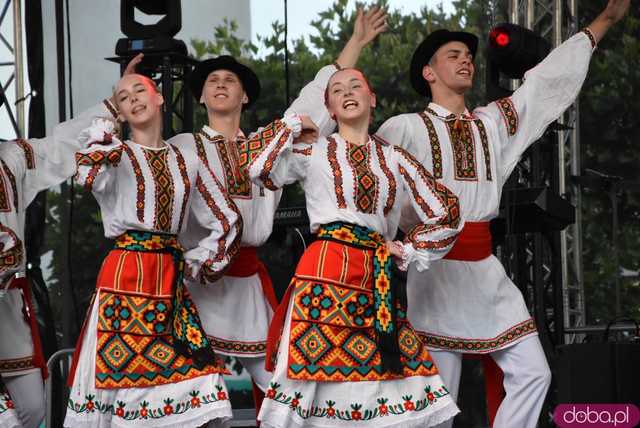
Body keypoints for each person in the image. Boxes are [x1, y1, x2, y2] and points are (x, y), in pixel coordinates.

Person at [375, 1, 631, 426]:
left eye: (468, 56)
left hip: (486, 273)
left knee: (534, 372)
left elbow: (544, 84)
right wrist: (386, 244)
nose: (466, 61)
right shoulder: (404, 128)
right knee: (436, 409)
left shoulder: (491, 124)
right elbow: (375, 189)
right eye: (452, 56)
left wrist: (602, 22)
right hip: (435, 275)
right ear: (429, 73)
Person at [178, 6, 388, 411]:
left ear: (244, 95)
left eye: (230, 80)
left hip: (249, 291)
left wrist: (357, 42)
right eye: (212, 81)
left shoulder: (267, 145)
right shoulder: (182, 147)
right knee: (192, 403)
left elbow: (316, 100)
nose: (221, 85)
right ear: (201, 95)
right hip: (198, 286)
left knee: (285, 394)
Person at [248, 63, 462, 427]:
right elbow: (258, 169)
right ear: (330, 109)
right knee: (310, 388)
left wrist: (410, 248)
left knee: (395, 389)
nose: (347, 92)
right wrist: (293, 125)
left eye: (355, 86)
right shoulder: (314, 151)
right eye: (337, 90)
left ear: (372, 98)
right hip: (324, 275)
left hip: (374, 282)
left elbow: (448, 212)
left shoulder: (394, 158)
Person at [64, 72, 242, 427]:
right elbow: (86, 177)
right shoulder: (118, 154)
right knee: (125, 383)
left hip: (169, 282)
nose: (133, 98)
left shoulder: (186, 159)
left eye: (139, 90)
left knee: (204, 386)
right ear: (121, 111)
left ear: (159, 97)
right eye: (123, 96)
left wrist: (198, 263)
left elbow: (227, 220)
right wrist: (103, 142)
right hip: (126, 277)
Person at [0, 94, 121, 428]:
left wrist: (113, 107)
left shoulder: (10, 159)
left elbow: (59, 146)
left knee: (33, 408)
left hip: (6, 306)